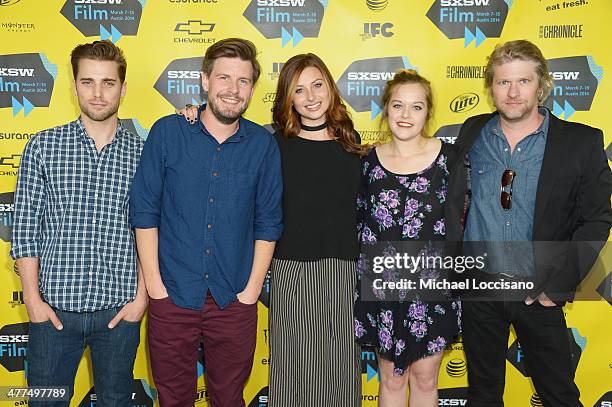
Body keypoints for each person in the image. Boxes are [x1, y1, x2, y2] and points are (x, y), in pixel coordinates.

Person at [177, 52, 363, 406]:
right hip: (289, 271)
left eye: (317, 85)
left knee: (341, 373)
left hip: (342, 272)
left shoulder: (350, 142)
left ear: (331, 88)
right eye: (299, 90)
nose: (310, 97)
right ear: (287, 98)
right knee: (292, 374)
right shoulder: (272, 144)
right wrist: (190, 110)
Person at [446, 40, 612, 407]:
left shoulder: (581, 142)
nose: (513, 92)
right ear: (491, 87)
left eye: (523, 81)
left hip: (540, 290)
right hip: (479, 289)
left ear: (542, 85)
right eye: (503, 82)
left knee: (559, 394)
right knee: (483, 395)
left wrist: (561, 283)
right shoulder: (472, 133)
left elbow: (597, 219)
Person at [129, 38, 283, 407]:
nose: (232, 90)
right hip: (173, 295)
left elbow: (268, 221)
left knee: (229, 399)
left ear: (251, 88)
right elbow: (145, 210)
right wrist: (155, 285)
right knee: (173, 399)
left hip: (234, 299)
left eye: (243, 81)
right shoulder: (168, 132)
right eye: (224, 78)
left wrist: (250, 293)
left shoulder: (262, 145)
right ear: (204, 81)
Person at [10, 40, 146, 406]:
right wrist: (33, 301)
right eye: (88, 82)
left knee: (116, 401)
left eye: (108, 82)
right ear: (73, 86)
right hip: (54, 314)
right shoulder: (43, 147)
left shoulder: (143, 154)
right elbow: (24, 229)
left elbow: (152, 232)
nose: (98, 93)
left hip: (119, 315)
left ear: (123, 88)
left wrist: (140, 300)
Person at [354, 69, 461, 407]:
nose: (405, 115)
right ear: (386, 109)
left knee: (426, 379)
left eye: (416, 107)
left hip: (433, 287)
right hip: (383, 287)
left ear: (428, 112)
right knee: (392, 379)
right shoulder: (366, 162)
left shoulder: (452, 160)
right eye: (398, 105)